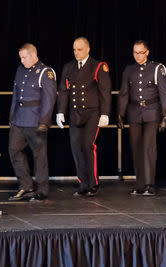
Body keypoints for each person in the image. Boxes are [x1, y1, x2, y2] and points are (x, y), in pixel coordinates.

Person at [56, 37, 112, 197]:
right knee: (75, 148)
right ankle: (83, 183)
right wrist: (61, 111)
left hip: (92, 113)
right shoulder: (69, 67)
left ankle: (93, 183)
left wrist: (105, 113)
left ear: (87, 49)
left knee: (88, 146)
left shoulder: (98, 66)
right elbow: (64, 91)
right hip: (75, 114)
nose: (76, 52)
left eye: (79, 49)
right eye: (74, 49)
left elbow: (105, 92)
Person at [117, 40, 166, 196]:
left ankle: (149, 184)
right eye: (135, 52)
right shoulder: (129, 70)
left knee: (148, 147)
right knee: (136, 148)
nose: (138, 56)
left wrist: (165, 115)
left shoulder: (157, 68)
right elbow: (124, 93)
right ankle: (140, 184)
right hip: (134, 112)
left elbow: (164, 93)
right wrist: (120, 113)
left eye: (140, 52)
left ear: (147, 52)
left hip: (151, 112)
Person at [8, 43, 57, 201]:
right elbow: (16, 94)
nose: (22, 60)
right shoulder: (20, 70)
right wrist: (12, 116)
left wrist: (44, 121)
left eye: (24, 57)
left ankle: (42, 189)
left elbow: (49, 99)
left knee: (39, 156)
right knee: (14, 150)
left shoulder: (45, 72)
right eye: (20, 57)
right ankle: (26, 185)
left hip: (36, 119)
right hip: (20, 119)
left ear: (33, 55)